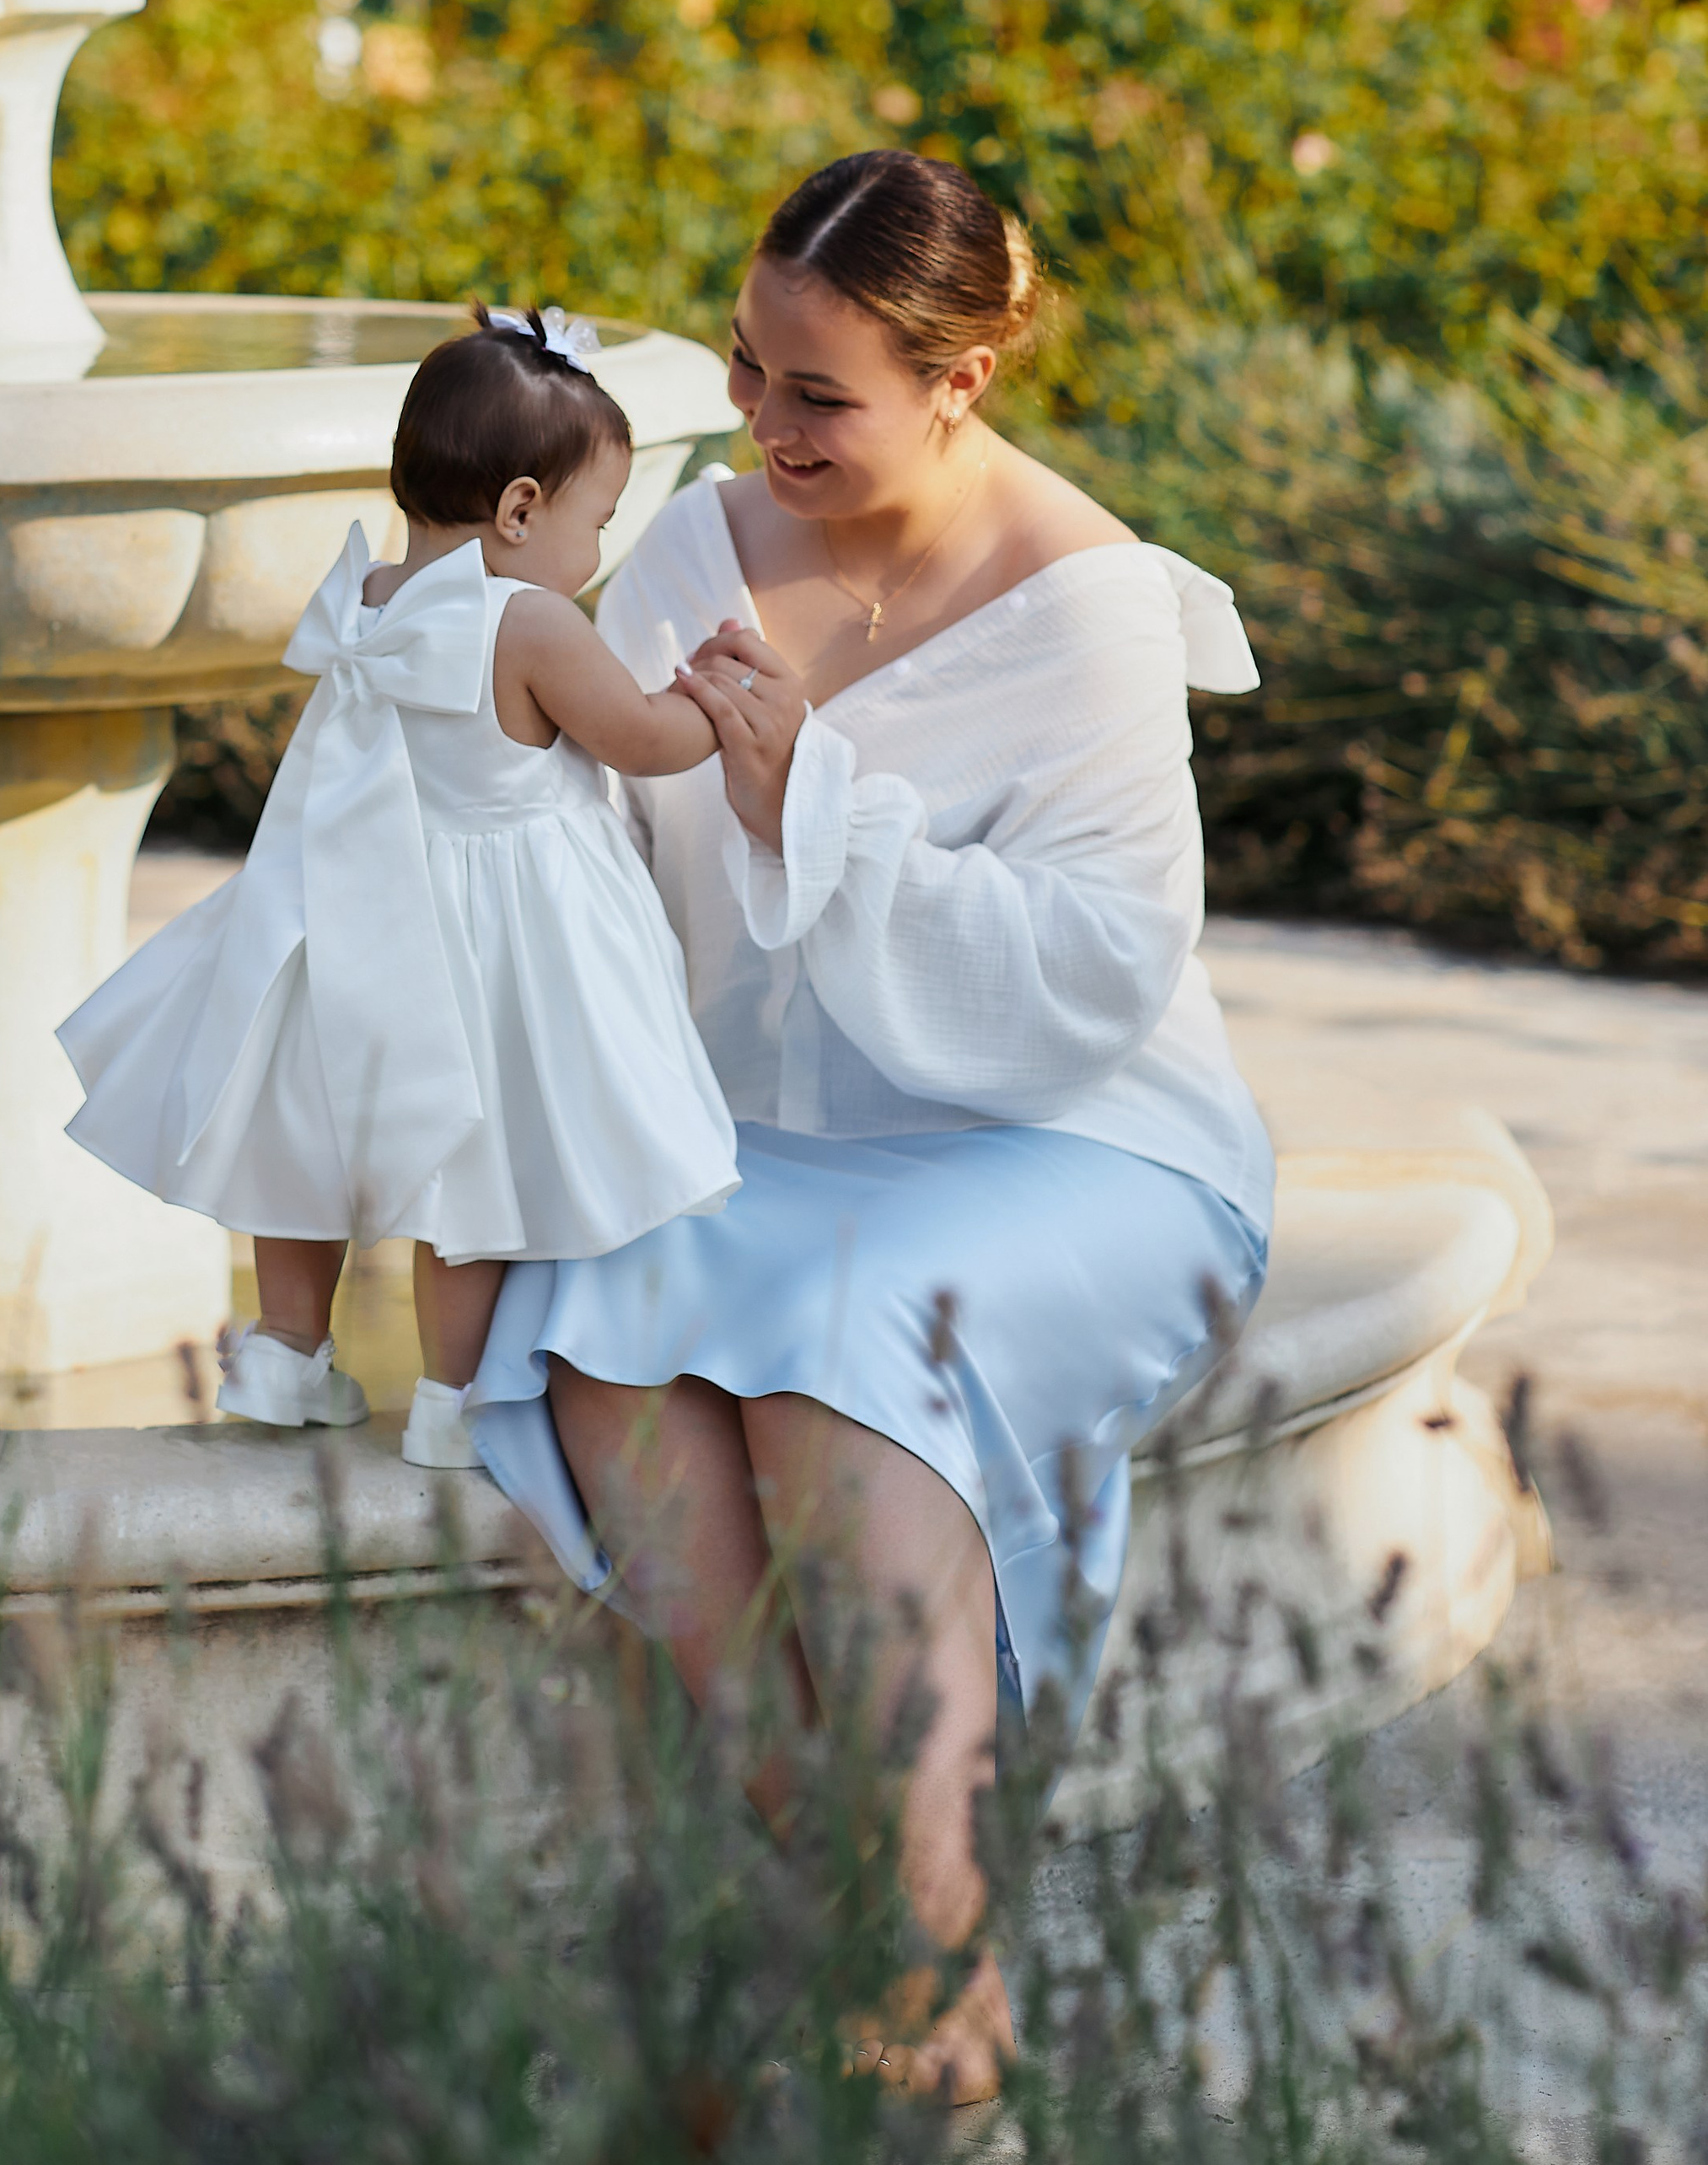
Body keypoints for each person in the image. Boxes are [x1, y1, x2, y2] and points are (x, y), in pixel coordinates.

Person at [466, 154, 1274, 2104]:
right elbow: (576, 866)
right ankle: (888, 1913)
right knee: (592, 1318)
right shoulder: (686, 548)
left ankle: (919, 1990)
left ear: (964, 376)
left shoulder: (1082, 609)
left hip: (1074, 1138)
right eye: (748, 370)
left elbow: (1093, 970)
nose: (760, 426)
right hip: (756, 1127)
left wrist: (815, 806)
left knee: (846, 1347)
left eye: (816, 394)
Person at [59, 306, 740, 1469]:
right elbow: (634, 738)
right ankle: (453, 1400)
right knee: (467, 1163)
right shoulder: (530, 619)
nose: (597, 552)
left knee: (300, 1132)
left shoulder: (366, 598)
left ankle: (284, 1351)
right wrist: (713, 705)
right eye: (597, 522)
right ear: (523, 508)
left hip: (356, 902)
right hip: (493, 933)